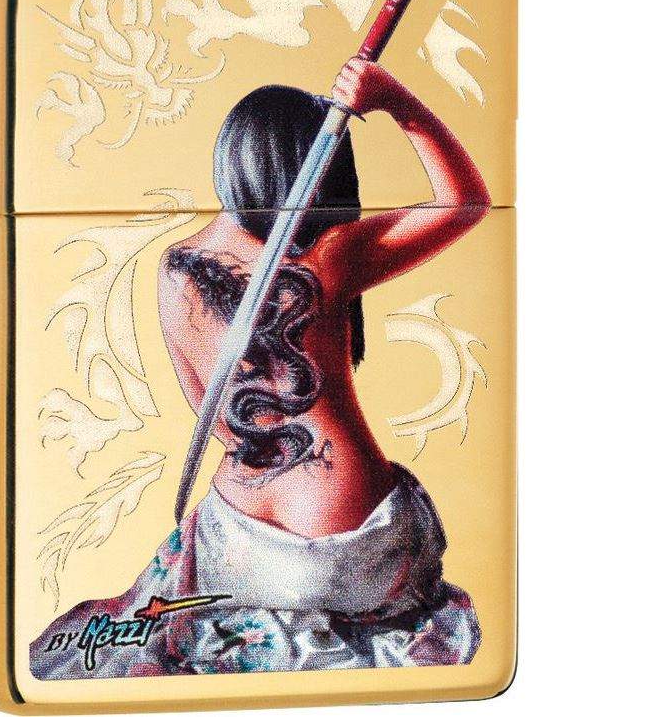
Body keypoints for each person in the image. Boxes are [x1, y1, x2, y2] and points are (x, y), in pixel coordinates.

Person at [31, 59, 490, 679]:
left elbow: (209, 409)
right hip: (346, 539)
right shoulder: (330, 257)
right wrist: (397, 103)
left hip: (235, 536)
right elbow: (465, 202)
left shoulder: (177, 266)